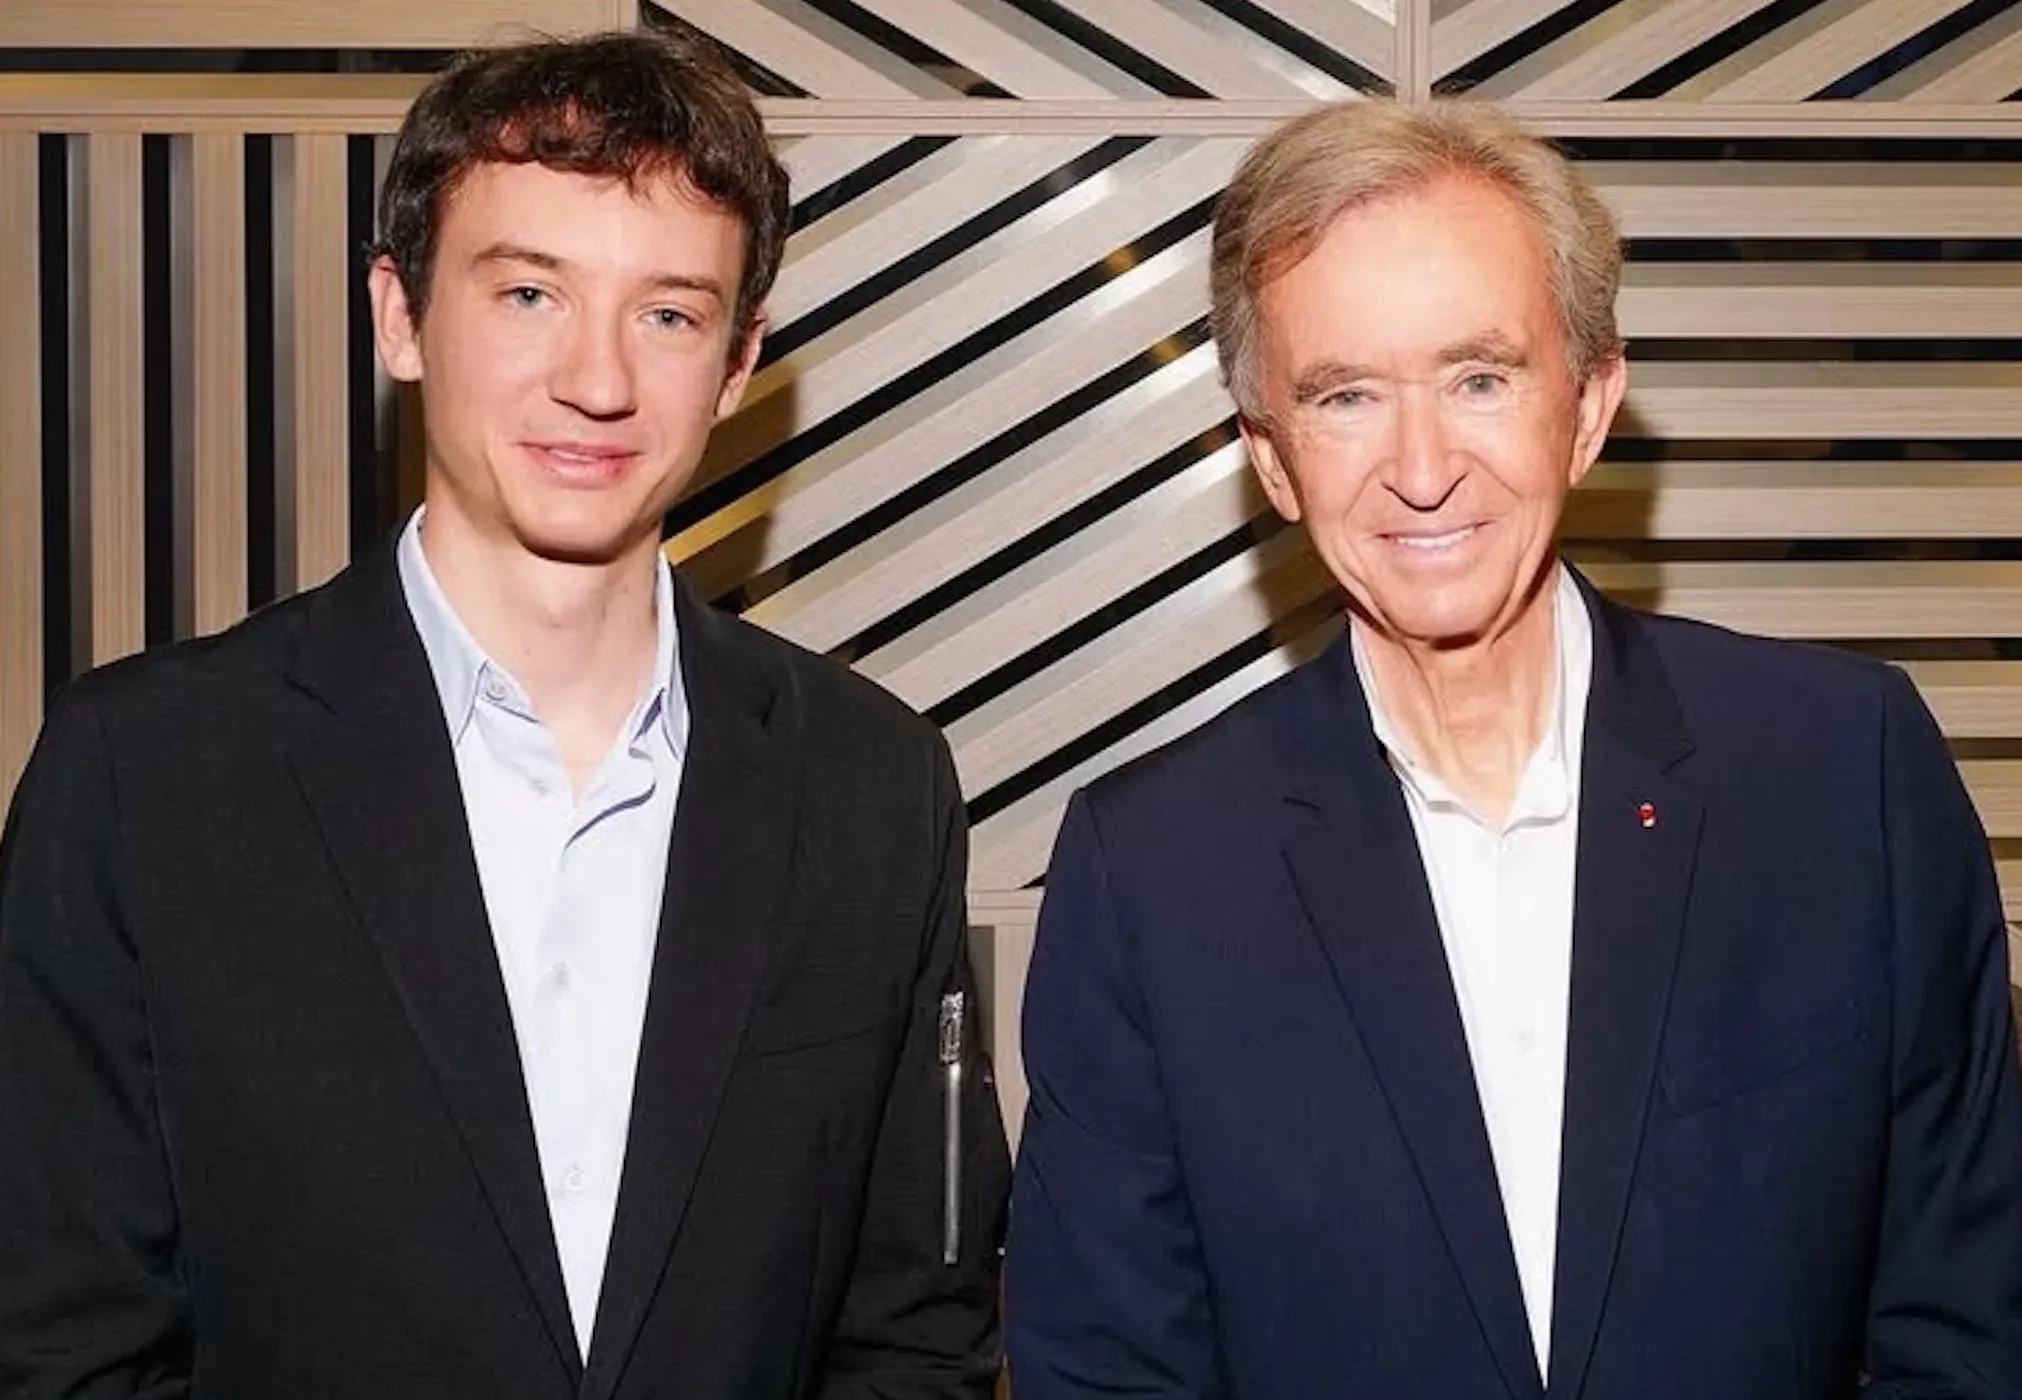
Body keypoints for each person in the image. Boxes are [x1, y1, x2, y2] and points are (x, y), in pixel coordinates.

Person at [0, 30, 1007, 1398]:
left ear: (736, 362)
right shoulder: (145, 777)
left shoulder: (871, 786)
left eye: (668, 314)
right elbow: (65, 1342)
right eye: (530, 293)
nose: (598, 380)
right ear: (399, 315)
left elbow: (917, 1332)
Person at [1007, 98, 2022, 1399]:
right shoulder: (1150, 871)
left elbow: (1967, 1317)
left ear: (1588, 405)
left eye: (1478, 378)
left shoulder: (1842, 774)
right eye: (1346, 396)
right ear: (1274, 461)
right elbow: (1108, 1375)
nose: (1422, 467)